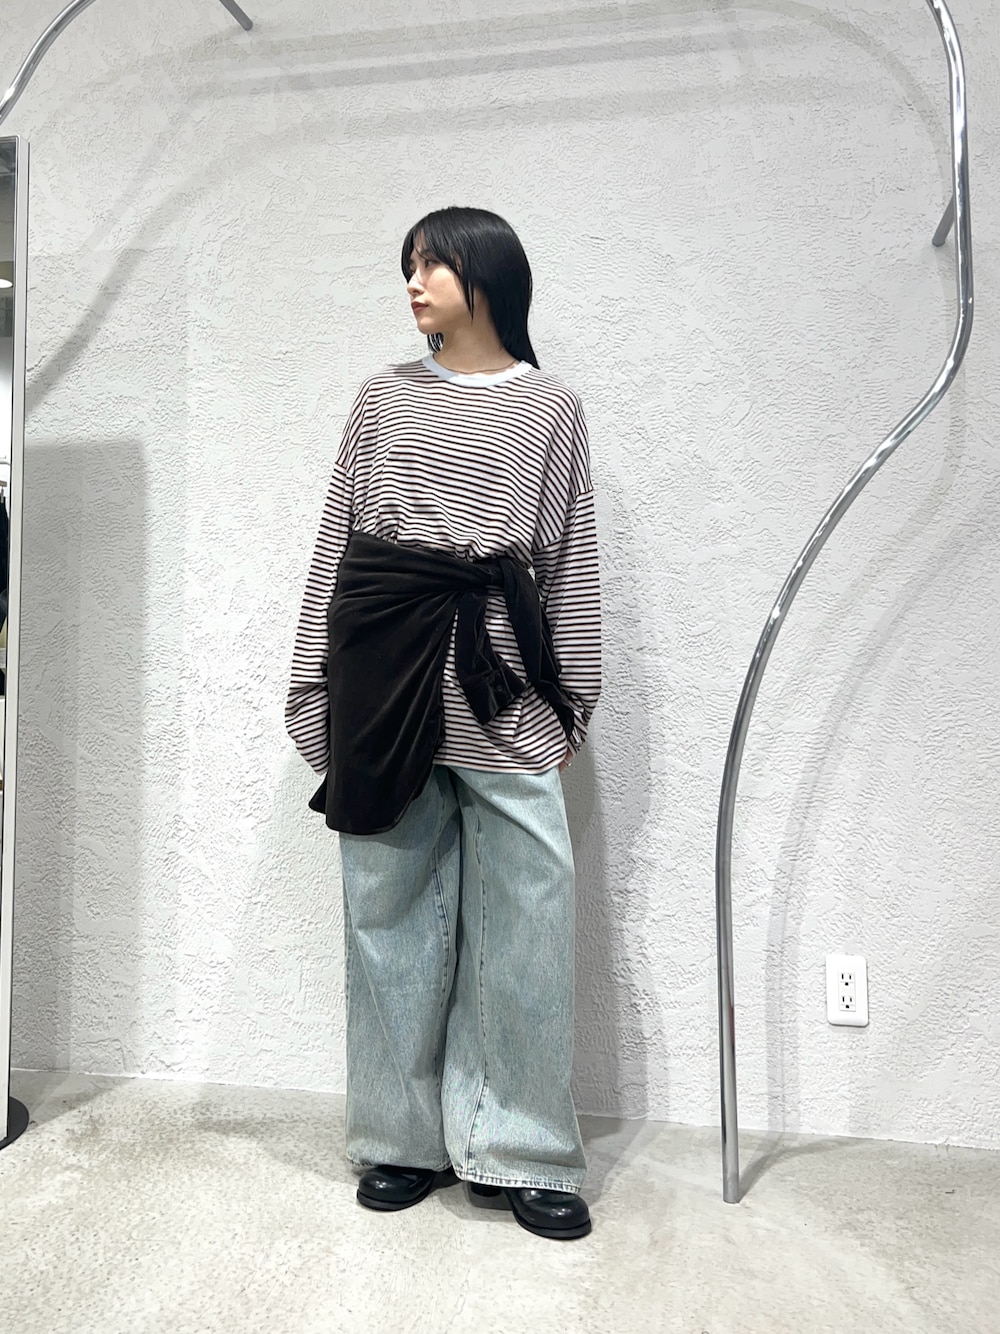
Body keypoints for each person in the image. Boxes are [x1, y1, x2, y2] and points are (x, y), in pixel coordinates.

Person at [285, 206, 601, 1241]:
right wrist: (314, 686)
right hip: (386, 675)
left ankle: (522, 1147)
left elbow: (569, 556)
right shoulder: (381, 397)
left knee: (529, 927)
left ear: (489, 275)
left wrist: (571, 700)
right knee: (386, 914)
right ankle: (400, 1139)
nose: (414, 282)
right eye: (409, 266)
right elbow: (338, 544)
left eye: (433, 264)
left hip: (501, 689)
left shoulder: (551, 405)